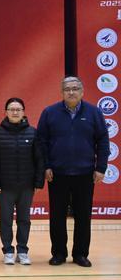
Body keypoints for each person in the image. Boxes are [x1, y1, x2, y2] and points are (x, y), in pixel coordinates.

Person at [38, 76, 110, 267]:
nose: (71, 92)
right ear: (61, 92)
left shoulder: (94, 112)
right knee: (57, 215)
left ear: (82, 91)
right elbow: (41, 142)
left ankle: (80, 254)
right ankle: (58, 253)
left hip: (85, 173)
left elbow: (103, 141)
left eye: (75, 88)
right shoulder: (49, 112)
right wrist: (46, 166)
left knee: (83, 216)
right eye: (67, 89)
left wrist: (101, 167)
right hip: (57, 173)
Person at [0, 98, 45, 264]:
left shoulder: (32, 132)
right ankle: (7, 251)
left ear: (23, 112)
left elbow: (39, 158)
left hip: (26, 186)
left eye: (18, 109)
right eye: (11, 109)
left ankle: (22, 251)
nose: (15, 112)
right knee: (6, 219)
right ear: (6, 112)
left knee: (24, 219)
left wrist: (38, 182)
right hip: (5, 186)